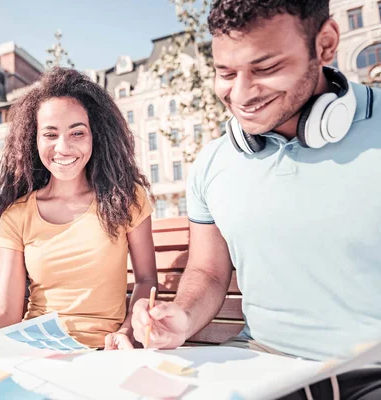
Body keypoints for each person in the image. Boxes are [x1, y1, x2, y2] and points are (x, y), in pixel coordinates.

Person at [131, 1, 381, 398]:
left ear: (326, 44)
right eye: (226, 73)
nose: (241, 94)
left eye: (265, 69)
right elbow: (209, 273)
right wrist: (183, 316)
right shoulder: (213, 162)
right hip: (259, 361)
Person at [0, 67, 157, 350]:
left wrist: (126, 332)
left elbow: (147, 279)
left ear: (96, 136)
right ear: (35, 140)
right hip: (35, 349)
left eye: (77, 133)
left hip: (105, 350)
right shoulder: (16, 215)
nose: (63, 148)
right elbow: (5, 313)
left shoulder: (126, 198)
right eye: (50, 134)